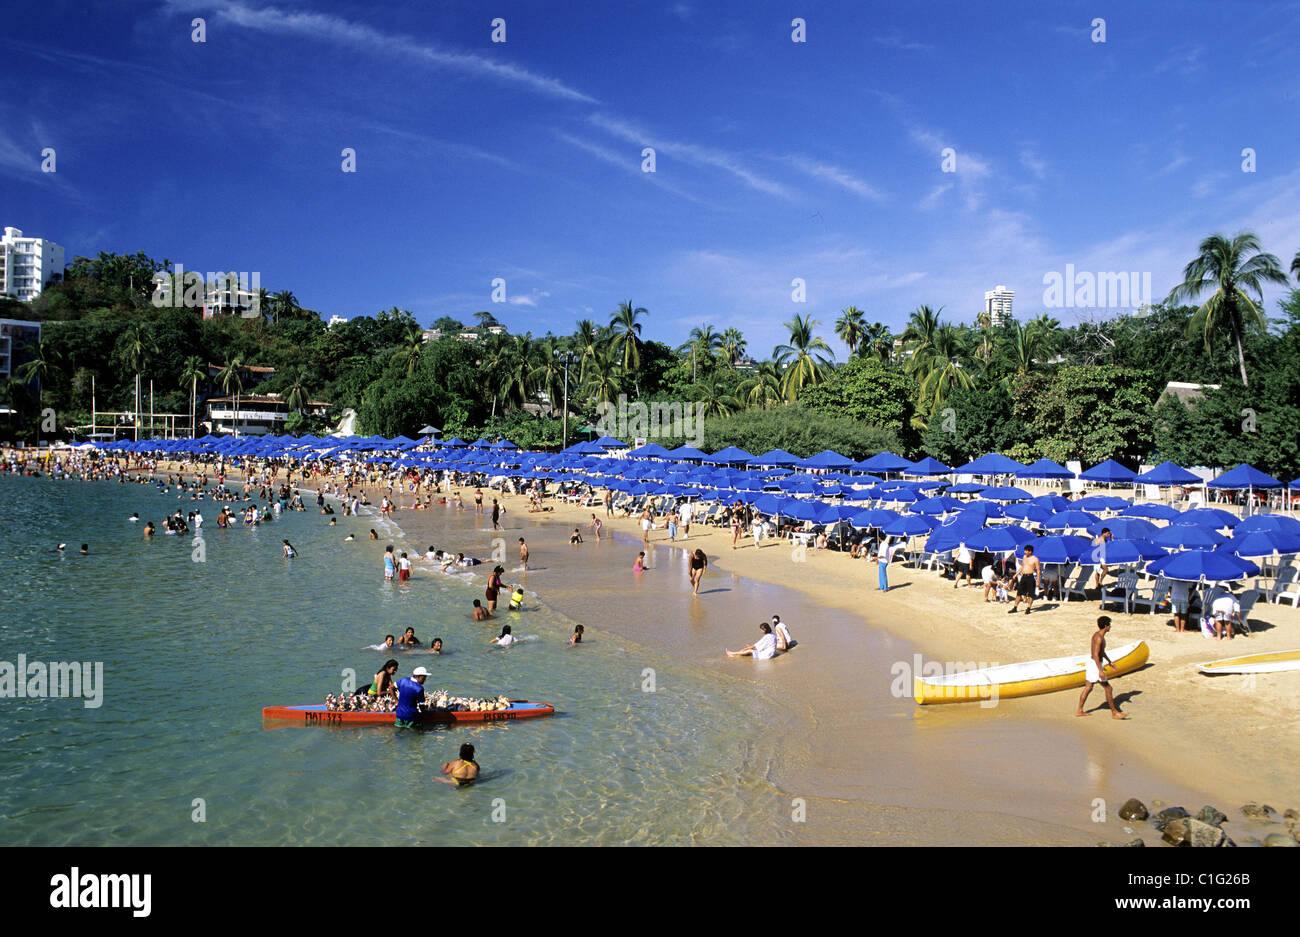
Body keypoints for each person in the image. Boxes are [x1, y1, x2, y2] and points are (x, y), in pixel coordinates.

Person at [1076, 617, 1129, 719]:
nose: (1110, 626)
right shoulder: (1099, 638)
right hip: (1095, 665)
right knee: (1108, 688)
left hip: (1092, 664)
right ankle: (1114, 712)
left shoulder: (1098, 635)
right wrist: (1100, 671)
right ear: (1106, 626)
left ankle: (1079, 710)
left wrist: (1109, 662)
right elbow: (1096, 654)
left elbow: (1101, 652)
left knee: (1088, 687)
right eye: (1109, 625)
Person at [1007, 545, 1040, 614]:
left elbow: (1038, 571)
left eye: (1027, 551)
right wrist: (1016, 574)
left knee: (1031, 594)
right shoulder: (1024, 557)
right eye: (1025, 550)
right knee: (1019, 592)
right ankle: (1015, 607)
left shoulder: (1035, 559)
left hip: (1031, 576)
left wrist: (1038, 581)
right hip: (1024, 576)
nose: (1025, 552)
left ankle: (1028, 608)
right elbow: (1022, 566)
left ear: (1030, 551)